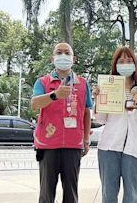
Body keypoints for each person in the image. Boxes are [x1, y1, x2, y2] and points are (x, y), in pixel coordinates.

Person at [31, 42, 92, 203]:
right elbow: (34, 104)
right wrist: (54, 95)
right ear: (53, 58)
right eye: (59, 52)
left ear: (74, 58)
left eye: (67, 52)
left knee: (71, 194)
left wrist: (86, 140)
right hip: (47, 144)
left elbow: (86, 111)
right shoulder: (43, 82)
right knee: (46, 194)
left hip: (73, 145)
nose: (63, 55)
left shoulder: (83, 83)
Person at [93, 46, 137, 203]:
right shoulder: (107, 87)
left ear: (135, 64)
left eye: (129, 60)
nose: (125, 64)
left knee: (132, 195)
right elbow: (101, 119)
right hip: (109, 147)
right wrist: (98, 99)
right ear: (115, 64)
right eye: (121, 60)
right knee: (109, 195)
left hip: (135, 148)